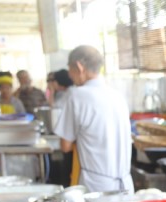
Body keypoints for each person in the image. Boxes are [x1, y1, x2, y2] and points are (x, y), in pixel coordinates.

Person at [55, 45, 133, 193]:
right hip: (126, 185)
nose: (69, 75)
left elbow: (65, 145)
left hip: (96, 188)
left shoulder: (77, 96)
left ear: (79, 67)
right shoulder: (117, 96)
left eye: (69, 69)